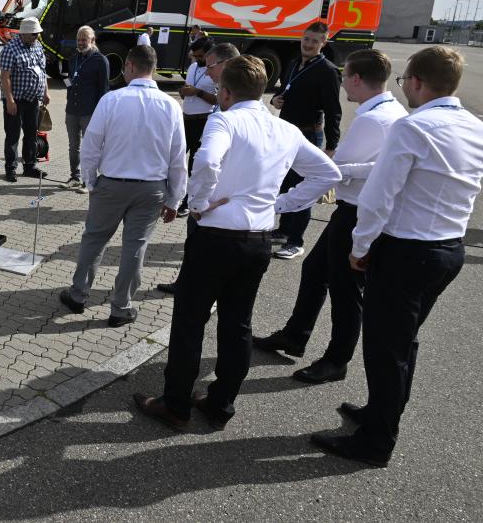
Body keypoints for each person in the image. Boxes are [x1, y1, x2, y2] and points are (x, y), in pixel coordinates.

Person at [132, 55, 339, 431]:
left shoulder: (224, 119)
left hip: (216, 236)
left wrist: (196, 204)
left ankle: (176, 405)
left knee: (190, 323)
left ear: (225, 92)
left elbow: (208, 160)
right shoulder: (286, 129)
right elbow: (328, 173)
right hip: (257, 239)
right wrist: (280, 204)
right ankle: (221, 402)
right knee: (237, 324)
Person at [312, 46, 483, 468]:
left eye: (406, 80)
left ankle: (376, 440)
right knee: (403, 343)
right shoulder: (474, 126)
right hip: (449, 249)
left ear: (419, 82)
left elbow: (377, 196)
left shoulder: (413, 127)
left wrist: (360, 246)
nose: (404, 87)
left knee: (386, 350)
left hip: (407, 250)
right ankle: (379, 414)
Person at [252, 50, 407, 384]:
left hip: (356, 212)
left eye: (345, 75)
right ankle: (295, 334)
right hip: (353, 209)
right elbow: (378, 165)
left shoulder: (372, 119)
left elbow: (342, 170)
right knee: (315, 270)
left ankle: (336, 360)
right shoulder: (391, 110)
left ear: (355, 79)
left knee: (346, 290)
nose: (342, 82)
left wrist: (330, 173)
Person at [58, 45, 186, 327]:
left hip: (112, 184)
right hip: (152, 188)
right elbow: (178, 158)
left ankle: (78, 295)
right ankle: (121, 308)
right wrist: (175, 199)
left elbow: (91, 146)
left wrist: (90, 180)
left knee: (95, 239)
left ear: (129, 66)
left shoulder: (111, 100)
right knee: (135, 247)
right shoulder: (171, 105)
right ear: (153, 68)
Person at [156, 42, 239, 295]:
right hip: (218, 197)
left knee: (201, 241)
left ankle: (193, 288)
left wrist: (197, 201)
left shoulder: (229, 107)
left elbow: (208, 162)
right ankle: (191, 283)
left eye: (211, 65)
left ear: (226, 64)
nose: (208, 70)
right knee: (197, 244)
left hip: (214, 197)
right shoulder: (226, 96)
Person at [270, 22, 342, 260]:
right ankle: (283, 230)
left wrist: (332, 146)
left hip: (309, 134)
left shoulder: (328, 70)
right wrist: (276, 100)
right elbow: (284, 91)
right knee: (285, 184)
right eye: (306, 39)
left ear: (324, 43)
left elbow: (334, 111)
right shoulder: (292, 63)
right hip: (287, 134)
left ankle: (296, 241)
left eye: (315, 41)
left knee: (302, 188)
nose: (309, 44)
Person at [0, 17, 51, 182]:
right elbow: (5, 77)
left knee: (31, 135)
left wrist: (45, 92)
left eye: (38, 34)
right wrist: (10, 101)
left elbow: (42, 72)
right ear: (25, 33)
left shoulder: (37, 46)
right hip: (16, 100)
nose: (37, 36)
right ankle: (11, 169)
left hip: (33, 99)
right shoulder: (10, 49)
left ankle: (30, 166)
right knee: (13, 135)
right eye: (34, 34)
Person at [61, 26, 109, 190]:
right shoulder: (73, 59)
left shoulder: (101, 60)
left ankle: (88, 181)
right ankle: (74, 176)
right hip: (72, 111)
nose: (81, 43)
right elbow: (69, 82)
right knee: (73, 146)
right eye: (79, 40)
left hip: (90, 112)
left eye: (84, 40)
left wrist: (100, 114)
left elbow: (104, 90)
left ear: (92, 40)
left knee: (90, 148)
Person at [177, 37, 217, 214]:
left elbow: (219, 100)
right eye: (195, 56)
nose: (197, 59)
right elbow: (188, 88)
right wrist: (183, 91)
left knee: (195, 165)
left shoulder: (215, 71)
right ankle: (173, 196)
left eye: (200, 56)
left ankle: (188, 202)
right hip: (186, 119)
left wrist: (198, 92)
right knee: (176, 160)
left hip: (204, 121)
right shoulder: (193, 67)